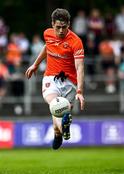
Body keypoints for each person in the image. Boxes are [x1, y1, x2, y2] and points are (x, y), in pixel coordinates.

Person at [25, 8, 85, 150]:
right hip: (51, 78)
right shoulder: (47, 34)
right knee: (55, 105)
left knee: (58, 118)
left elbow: (80, 68)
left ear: (69, 24)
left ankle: (59, 133)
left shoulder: (76, 42)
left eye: (64, 27)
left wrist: (80, 91)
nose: (60, 31)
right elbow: (47, 47)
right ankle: (64, 128)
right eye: (58, 27)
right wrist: (35, 64)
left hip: (70, 83)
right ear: (52, 24)